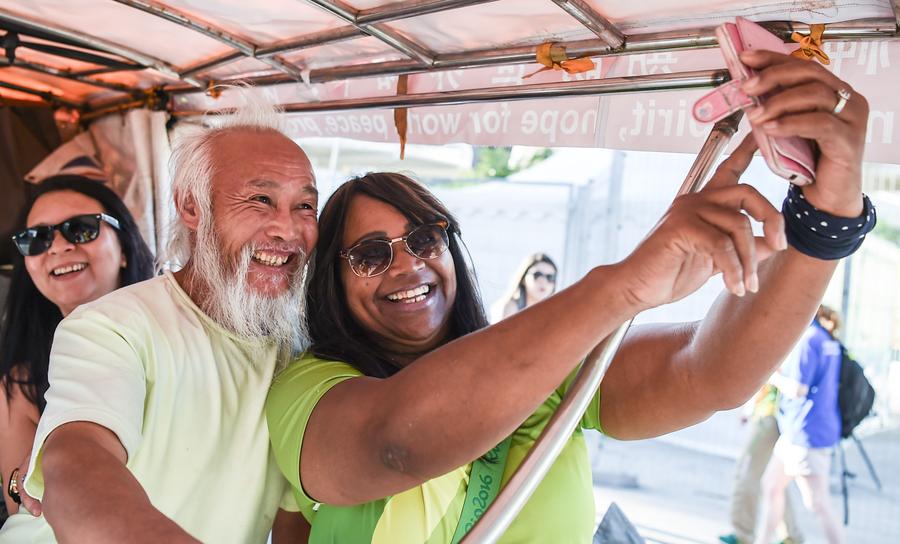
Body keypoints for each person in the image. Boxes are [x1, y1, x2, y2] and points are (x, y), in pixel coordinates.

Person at [266, 48, 872, 543]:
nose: (408, 265)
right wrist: (626, 282)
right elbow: (395, 443)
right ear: (332, 282)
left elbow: (708, 372)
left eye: (425, 238)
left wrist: (825, 214)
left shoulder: (544, 367)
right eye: (371, 254)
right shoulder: (308, 389)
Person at [0, 94, 314, 543]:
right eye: (260, 199)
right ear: (191, 207)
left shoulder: (299, 355)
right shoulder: (106, 329)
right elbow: (77, 462)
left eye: (305, 206)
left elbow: (293, 517)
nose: (288, 228)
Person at [0, 175, 155, 522]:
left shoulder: (179, 340)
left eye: (81, 229)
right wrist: (31, 478)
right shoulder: (20, 386)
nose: (57, 247)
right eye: (36, 239)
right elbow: (26, 516)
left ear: (124, 248)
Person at [756, 306, 845, 544]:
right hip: (803, 430)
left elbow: (798, 389)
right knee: (772, 486)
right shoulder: (825, 338)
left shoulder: (808, 340)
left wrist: (770, 376)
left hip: (805, 433)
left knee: (817, 503)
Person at [718, 384, 804, 544]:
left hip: (770, 414)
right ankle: (791, 536)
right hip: (778, 414)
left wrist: (749, 407)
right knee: (775, 481)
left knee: (746, 472)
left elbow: (769, 377)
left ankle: (743, 534)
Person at [491, 253, 557, 321]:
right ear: (523, 279)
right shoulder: (510, 308)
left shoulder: (552, 313)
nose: (543, 281)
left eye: (550, 277)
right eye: (537, 275)